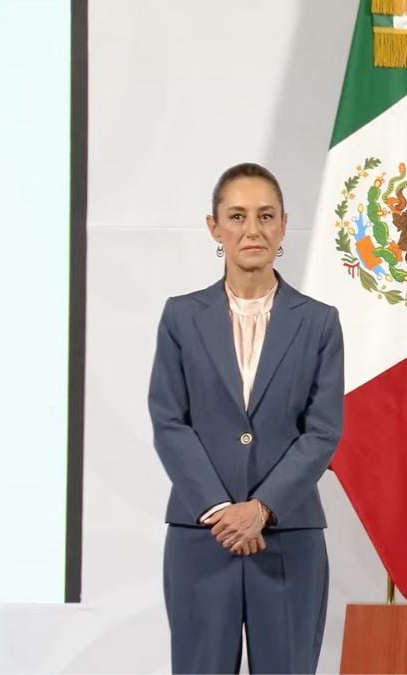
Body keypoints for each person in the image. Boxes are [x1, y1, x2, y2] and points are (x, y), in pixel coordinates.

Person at [148, 162, 344, 673]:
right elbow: (169, 421)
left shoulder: (320, 322)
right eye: (236, 216)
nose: (251, 230)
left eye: (265, 216)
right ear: (214, 227)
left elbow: (322, 431)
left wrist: (261, 509)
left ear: (283, 226)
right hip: (201, 536)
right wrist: (220, 509)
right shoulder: (181, 317)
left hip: (288, 537)